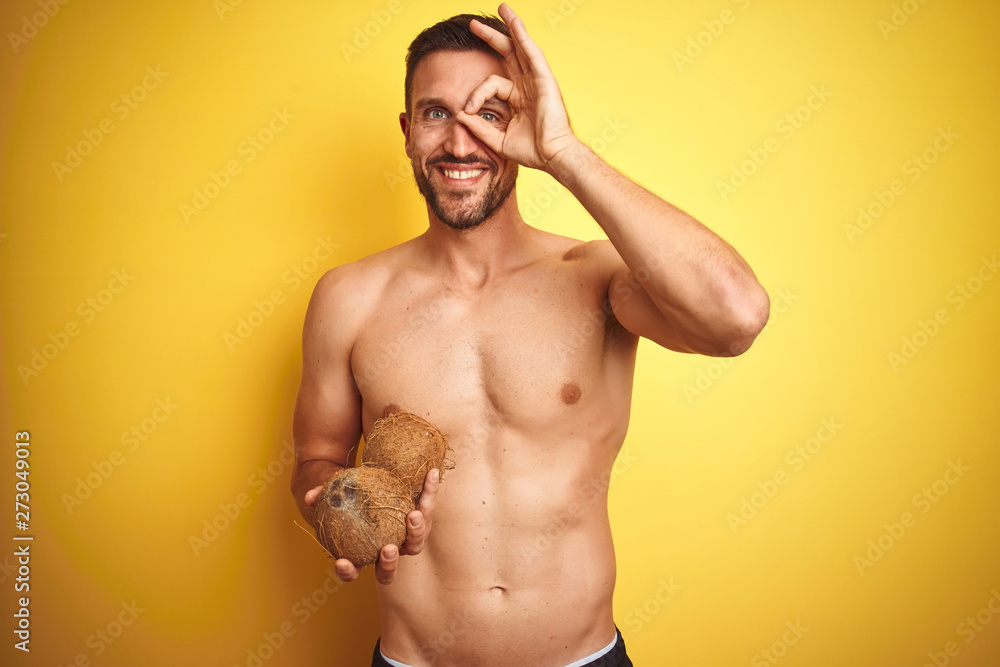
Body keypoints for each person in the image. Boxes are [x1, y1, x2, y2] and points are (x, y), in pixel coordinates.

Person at [291, 4, 769, 665]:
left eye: (487, 114)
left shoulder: (596, 279)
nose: (460, 144)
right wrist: (332, 510)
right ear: (407, 131)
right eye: (436, 114)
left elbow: (736, 314)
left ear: (520, 121)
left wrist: (565, 153)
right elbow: (316, 456)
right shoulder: (349, 298)